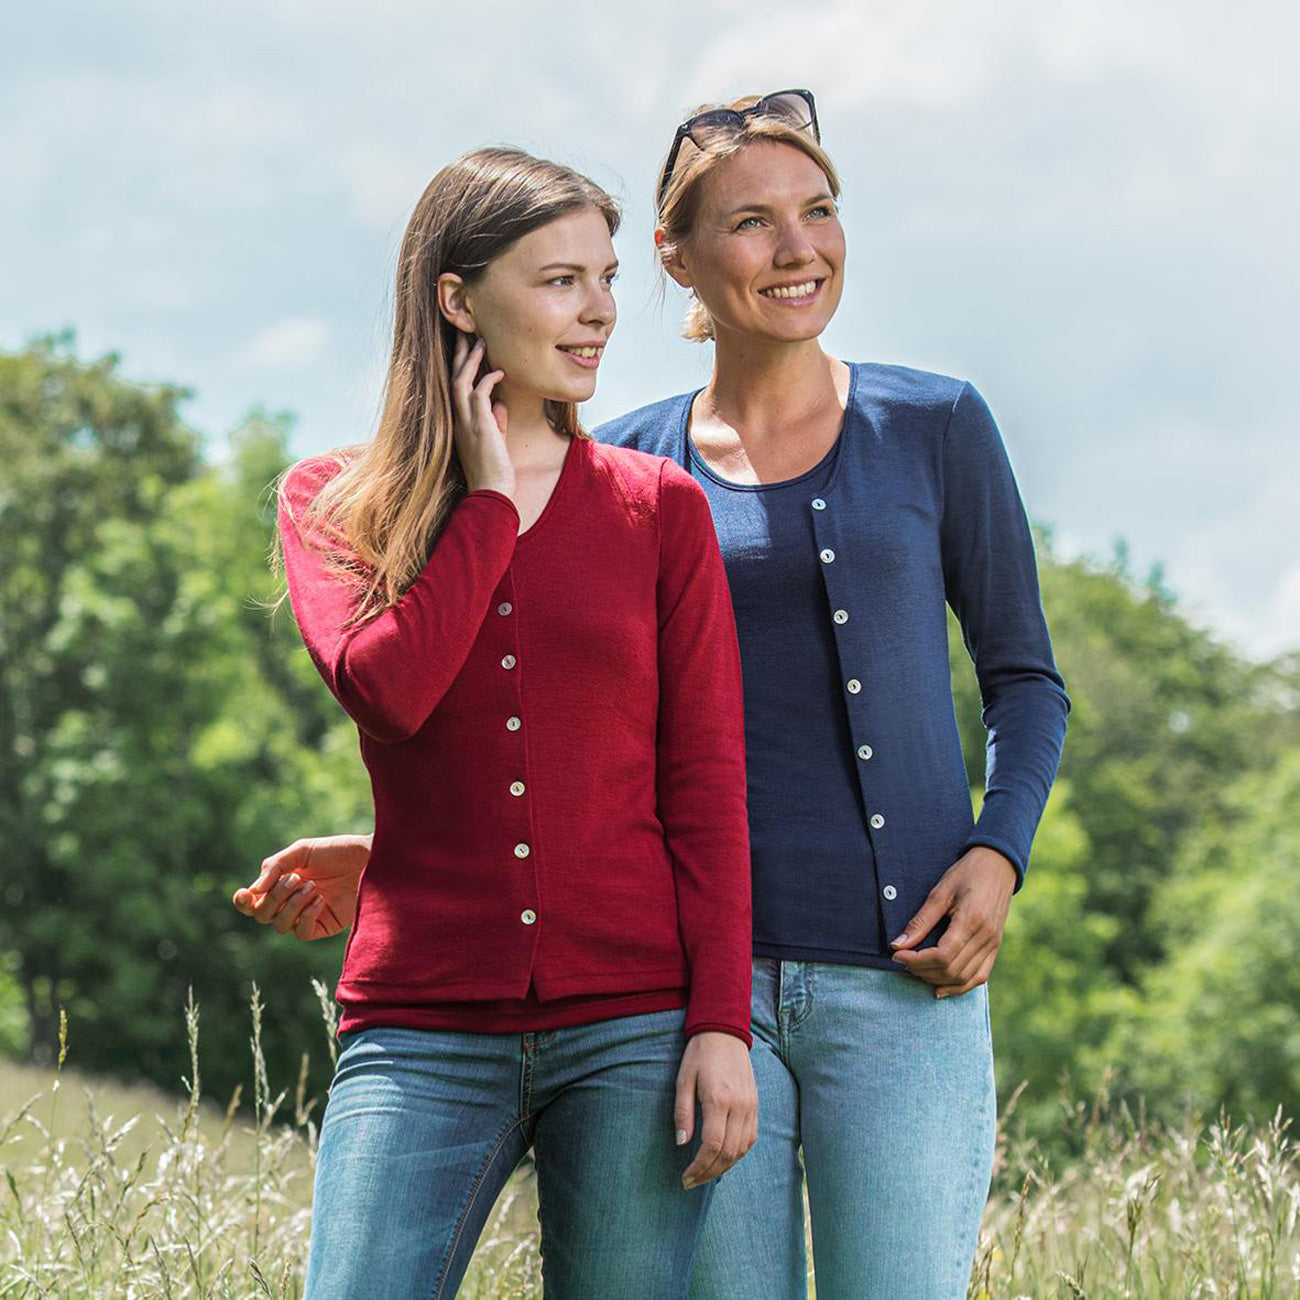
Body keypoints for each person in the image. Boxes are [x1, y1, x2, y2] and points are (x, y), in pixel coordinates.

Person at [242, 91, 1070, 1300]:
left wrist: (1001, 851)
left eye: (819, 211)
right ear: (683, 261)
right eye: (752, 220)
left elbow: (1021, 679)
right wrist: (412, 847)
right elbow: (572, 734)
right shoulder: (634, 462)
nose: (796, 247)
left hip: (888, 975)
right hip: (695, 984)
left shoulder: (927, 425)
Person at [247, 145, 758, 1300]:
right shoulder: (337, 503)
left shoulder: (657, 508)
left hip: (635, 1025)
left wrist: (718, 1023)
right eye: (560, 280)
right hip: (420, 1022)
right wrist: (484, 502)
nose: (600, 313)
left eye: (608, 277)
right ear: (456, 296)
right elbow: (391, 687)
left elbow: (706, 786)